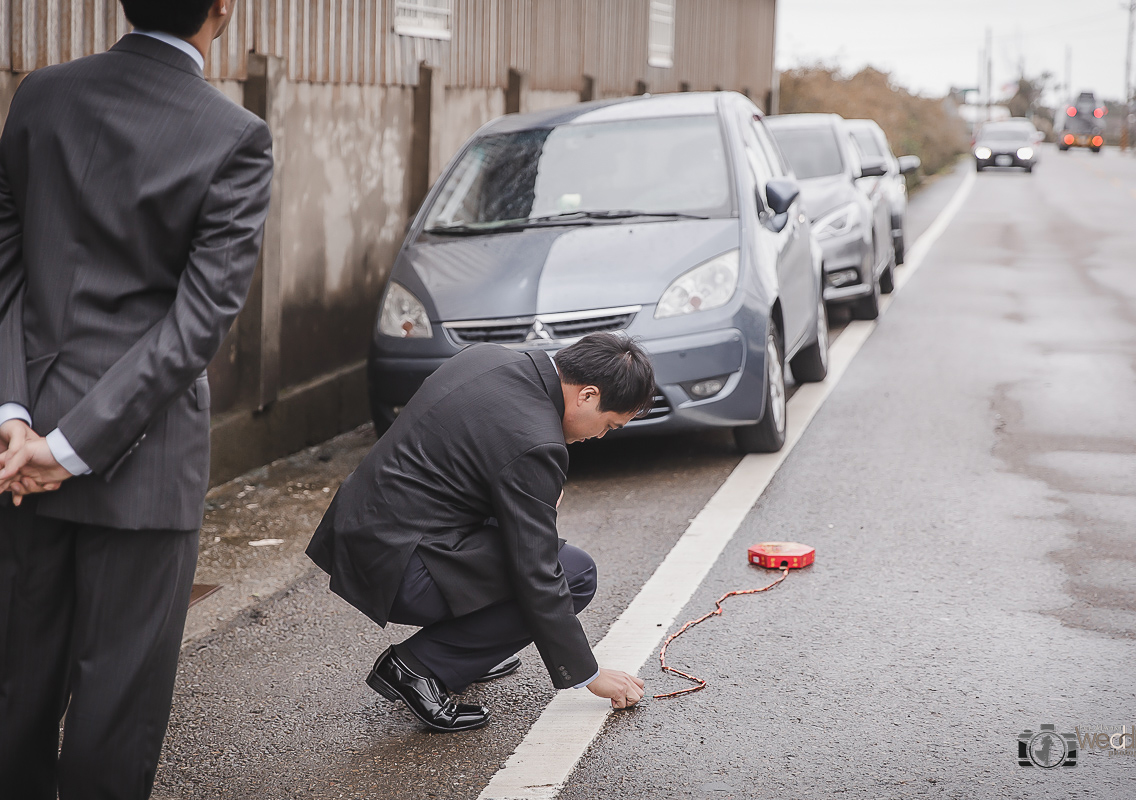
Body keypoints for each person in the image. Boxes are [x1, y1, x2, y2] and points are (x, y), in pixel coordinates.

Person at [0, 0, 272, 796]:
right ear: (223, 8)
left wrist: (18, 420)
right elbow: (196, 325)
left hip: (17, 459)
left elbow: (6, 266)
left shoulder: (39, 96)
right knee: (114, 712)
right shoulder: (233, 135)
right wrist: (68, 448)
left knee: (15, 692)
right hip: (144, 466)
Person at [306, 333, 654, 731]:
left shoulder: (489, 358)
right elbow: (537, 571)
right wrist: (589, 674)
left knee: (520, 536)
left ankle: (468, 654)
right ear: (587, 395)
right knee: (574, 574)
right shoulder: (537, 442)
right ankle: (417, 667)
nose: (600, 436)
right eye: (608, 425)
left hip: (357, 532)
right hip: (400, 568)